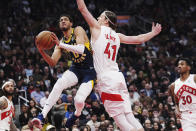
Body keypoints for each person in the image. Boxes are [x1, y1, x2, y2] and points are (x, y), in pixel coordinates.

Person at [75, 0, 161, 130]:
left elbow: (82, 8)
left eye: (101, 16)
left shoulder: (97, 28)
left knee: (120, 120)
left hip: (106, 79)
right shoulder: (117, 35)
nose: (98, 18)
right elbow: (138, 39)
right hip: (118, 77)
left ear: (106, 21)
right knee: (129, 116)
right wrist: (153, 33)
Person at [36, 14, 96, 128]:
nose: (63, 21)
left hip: (90, 71)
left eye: (66, 19)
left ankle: (76, 115)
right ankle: (42, 115)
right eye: (61, 20)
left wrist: (60, 44)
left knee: (78, 100)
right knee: (60, 82)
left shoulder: (78, 30)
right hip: (76, 69)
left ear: (71, 23)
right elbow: (53, 62)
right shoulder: (61, 41)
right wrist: (41, 50)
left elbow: (81, 49)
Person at [169, 58, 196, 131]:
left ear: (188, 67)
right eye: (178, 65)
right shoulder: (173, 85)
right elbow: (176, 102)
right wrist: (177, 109)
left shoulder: (194, 78)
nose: (179, 66)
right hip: (186, 117)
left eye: (182, 64)